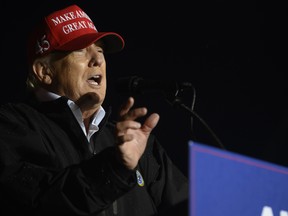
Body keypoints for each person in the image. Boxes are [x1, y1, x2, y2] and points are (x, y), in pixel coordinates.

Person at [0, 4, 188, 216]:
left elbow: (187, 205)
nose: (98, 60)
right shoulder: (12, 127)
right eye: (81, 50)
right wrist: (115, 168)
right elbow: (43, 202)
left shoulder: (136, 142)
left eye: (100, 50)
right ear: (45, 71)